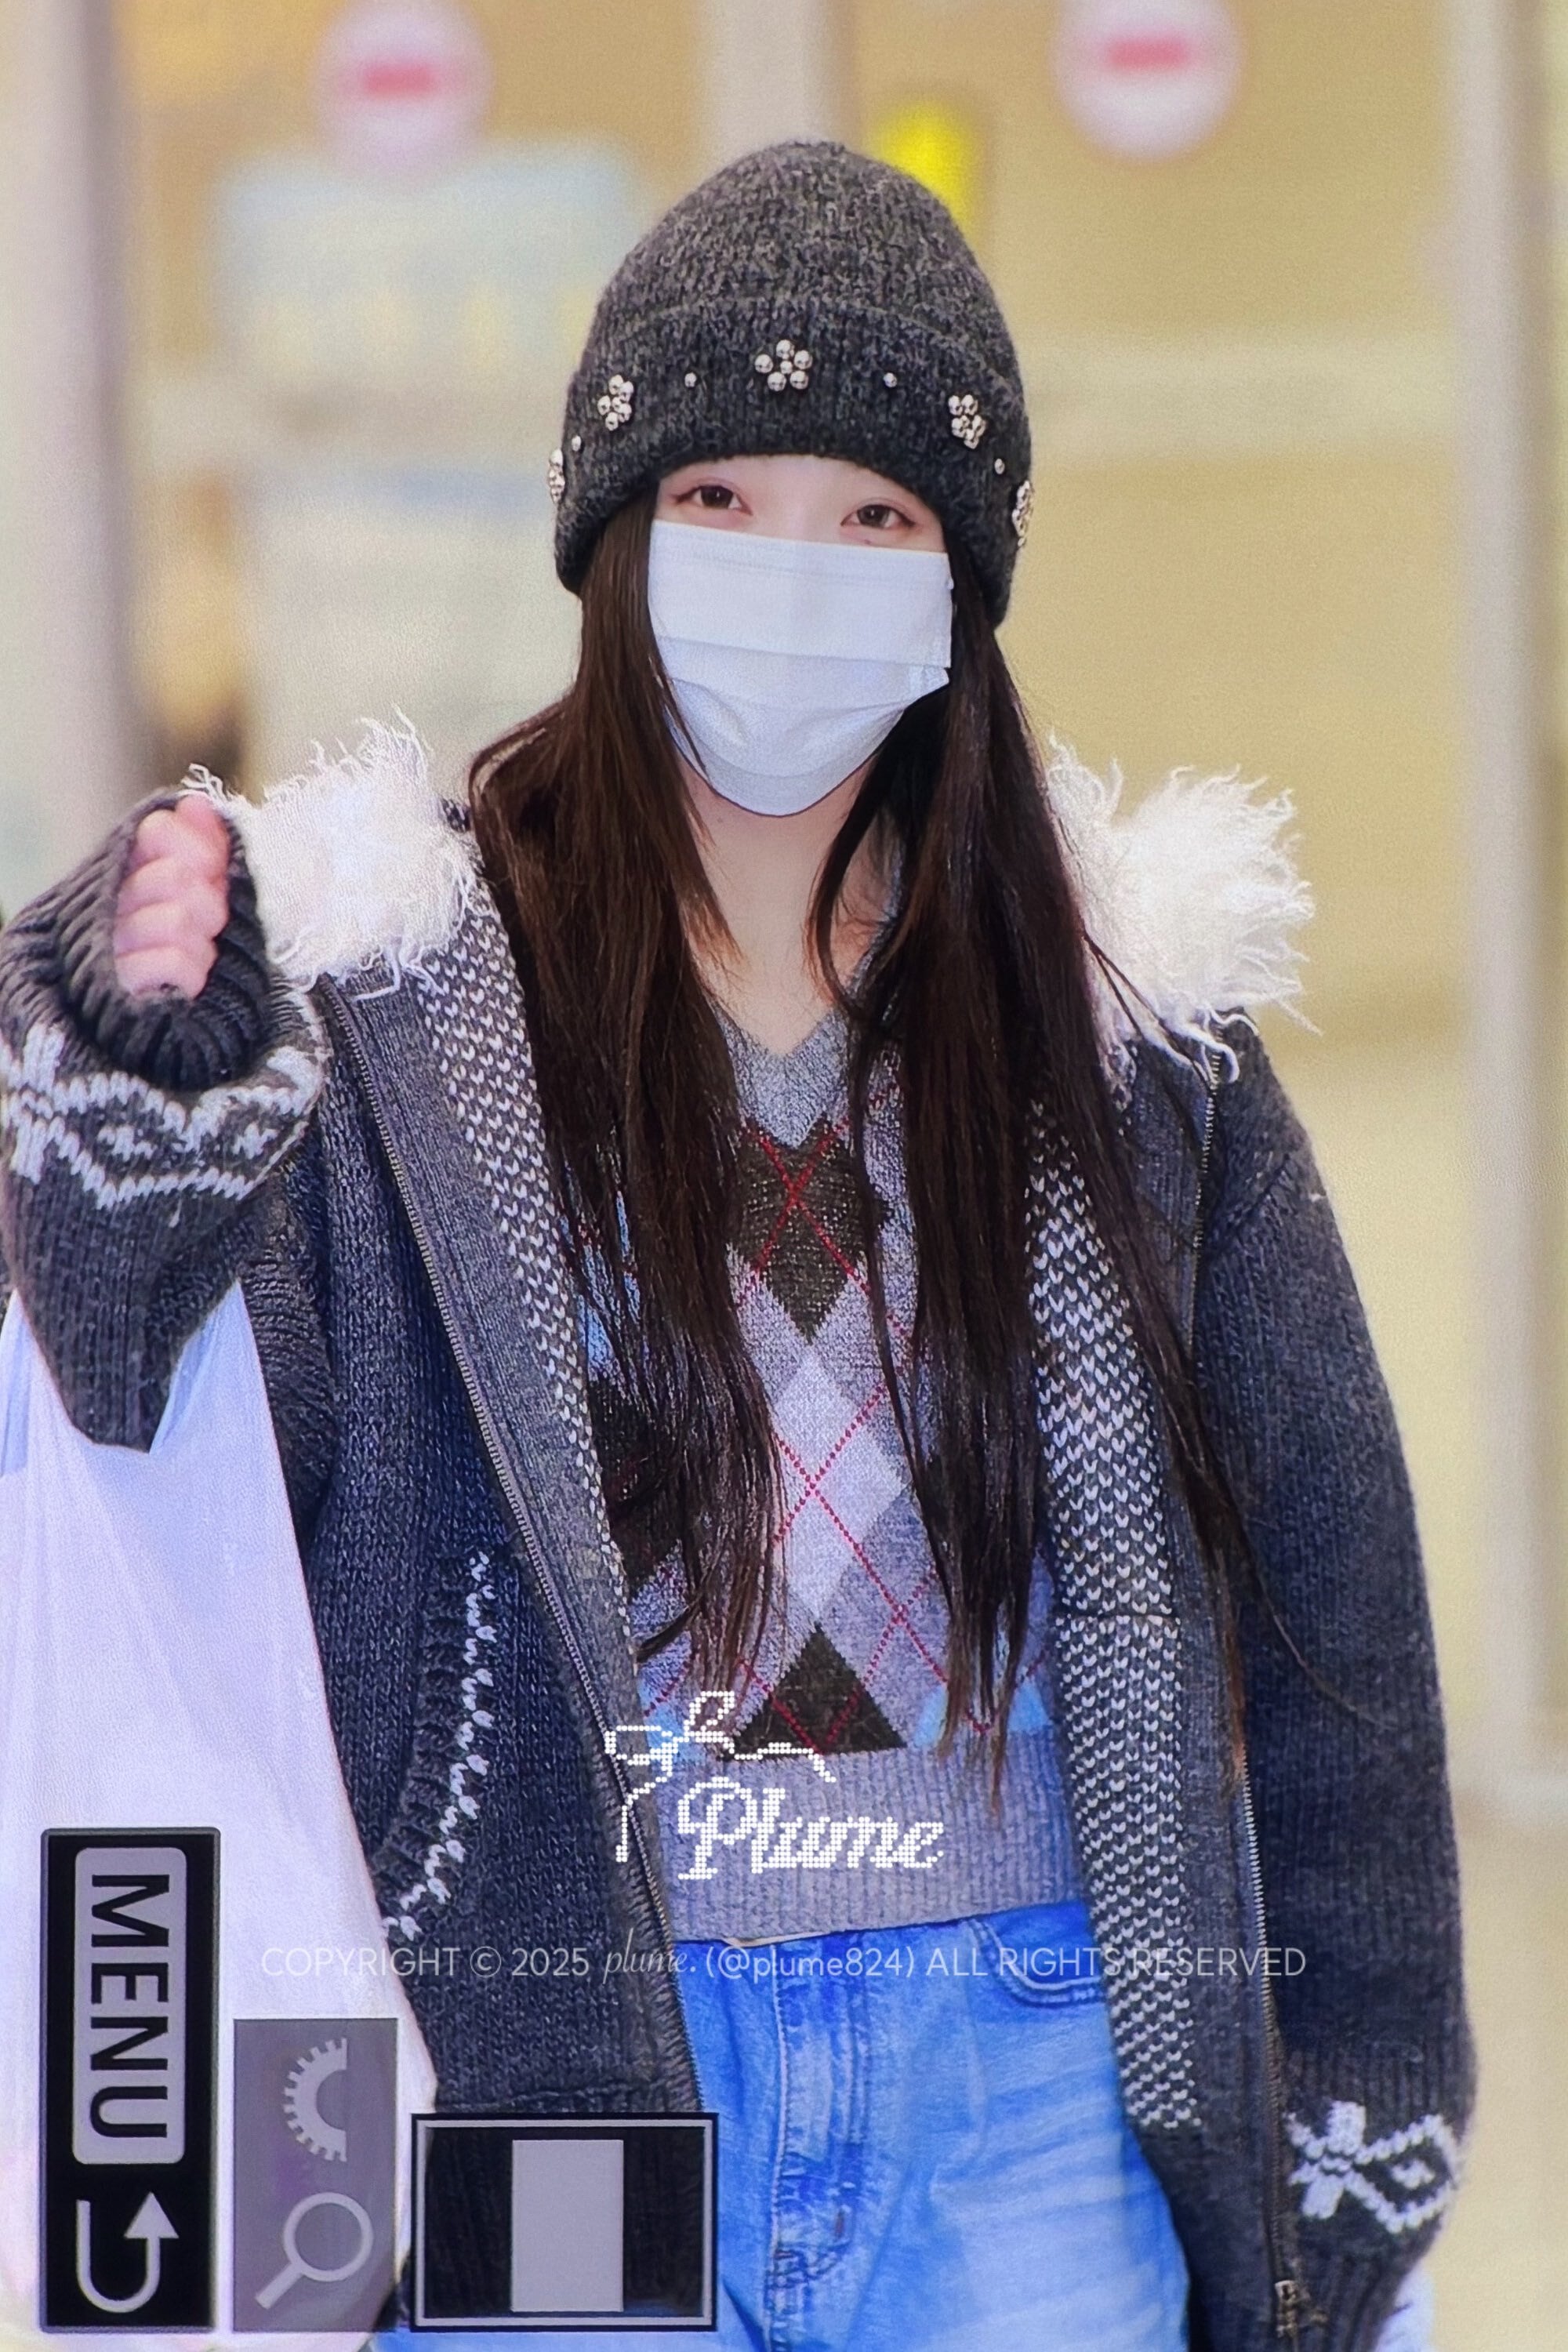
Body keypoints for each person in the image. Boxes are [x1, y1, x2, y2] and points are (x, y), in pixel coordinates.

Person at [0, 144, 1471, 2350]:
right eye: (722, 498)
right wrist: (138, 1059)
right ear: (612, 537)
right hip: (554, 2054)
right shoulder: (404, 1001)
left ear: (962, 581)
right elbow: (122, 1389)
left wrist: (1366, 2119)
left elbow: (1339, 1614)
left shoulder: (1121, 1037)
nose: (797, 567)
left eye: (877, 517)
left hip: (1025, 2076)